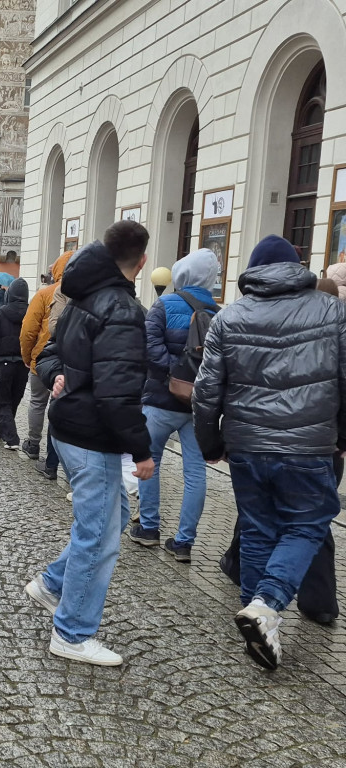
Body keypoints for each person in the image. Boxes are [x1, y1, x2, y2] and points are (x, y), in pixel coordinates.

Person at [194, 235, 346, 670]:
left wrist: (211, 442)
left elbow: (206, 391)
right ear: (297, 266)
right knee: (308, 524)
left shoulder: (230, 315)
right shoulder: (333, 312)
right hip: (309, 443)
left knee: (259, 530)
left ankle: (260, 622)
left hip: (246, 445)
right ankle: (268, 604)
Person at [25, 221, 154, 666]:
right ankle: (72, 632)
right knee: (98, 538)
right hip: (92, 435)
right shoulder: (120, 307)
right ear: (140, 261)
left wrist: (55, 372)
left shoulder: (81, 298)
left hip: (72, 429)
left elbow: (47, 352)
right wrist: (142, 451)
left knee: (109, 521)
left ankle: (51, 585)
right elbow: (117, 395)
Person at [125, 248, 219, 560]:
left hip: (160, 399)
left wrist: (172, 376)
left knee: (148, 461)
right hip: (196, 406)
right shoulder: (219, 312)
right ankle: (184, 542)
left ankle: (149, 528)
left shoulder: (163, 305)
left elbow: (147, 348)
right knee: (196, 472)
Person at [19, 251, 74, 469]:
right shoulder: (84, 293)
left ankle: (33, 444)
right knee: (58, 406)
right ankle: (54, 458)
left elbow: (28, 330)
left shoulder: (45, 294)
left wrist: (27, 356)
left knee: (37, 402)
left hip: (42, 360)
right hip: (70, 362)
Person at [0, 278, 30, 449]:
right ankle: (1, 428)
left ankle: (11, 438)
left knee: (2, 398)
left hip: (4, 362)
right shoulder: (31, 312)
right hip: (23, 363)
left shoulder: (2, 313)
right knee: (14, 398)